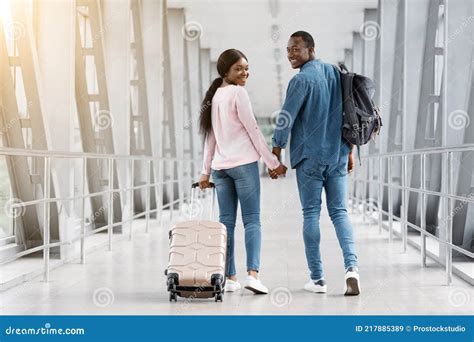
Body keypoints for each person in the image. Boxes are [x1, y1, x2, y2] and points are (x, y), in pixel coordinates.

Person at [271, 31, 360, 296]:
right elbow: (350, 113)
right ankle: (352, 268)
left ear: (311, 49)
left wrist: (276, 151)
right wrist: (351, 150)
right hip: (338, 154)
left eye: (296, 49)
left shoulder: (301, 81)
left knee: (311, 214)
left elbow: (285, 118)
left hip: (310, 157)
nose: (290, 54)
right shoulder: (336, 73)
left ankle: (318, 279)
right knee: (340, 213)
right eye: (288, 49)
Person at [198, 49, 287, 294]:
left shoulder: (214, 96)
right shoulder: (238, 93)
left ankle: (231, 278)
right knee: (252, 221)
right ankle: (253, 276)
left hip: (220, 169)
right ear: (225, 71)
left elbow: (210, 139)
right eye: (239, 68)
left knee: (226, 224)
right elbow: (254, 130)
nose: (244, 73)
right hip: (243, 165)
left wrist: (205, 171)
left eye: (246, 68)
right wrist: (273, 164)